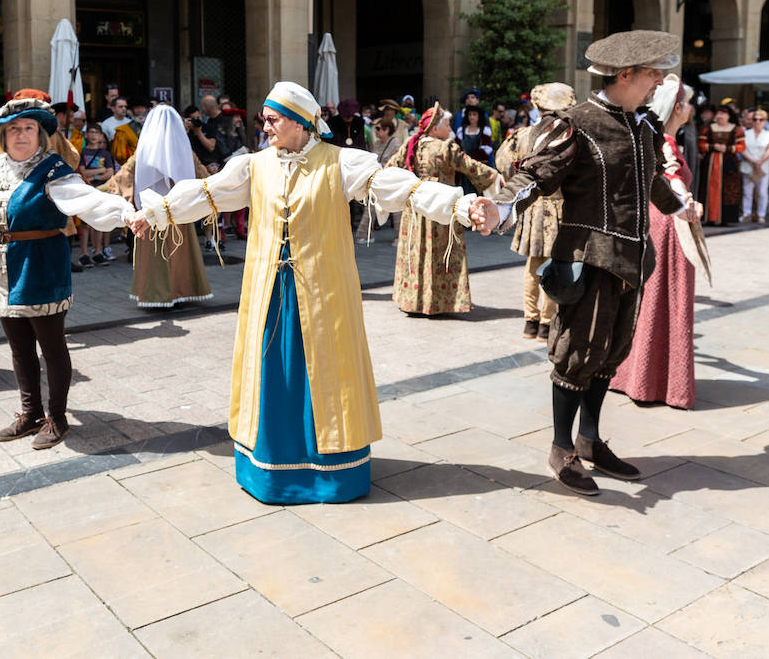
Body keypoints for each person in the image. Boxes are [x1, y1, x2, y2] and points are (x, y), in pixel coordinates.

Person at [129, 82, 498, 505]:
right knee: (274, 377)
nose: (264, 125)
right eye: (263, 119)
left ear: (302, 122)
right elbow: (210, 194)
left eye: (273, 119)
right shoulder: (254, 166)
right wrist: (158, 212)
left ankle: (332, 475)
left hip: (324, 295)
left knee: (325, 373)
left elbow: (401, 188)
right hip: (269, 293)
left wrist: (459, 204)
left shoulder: (339, 162)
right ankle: (271, 473)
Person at [490, 31, 697, 496]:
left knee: (609, 355)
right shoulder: (577, 123)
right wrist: (500, 206)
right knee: (577, 354)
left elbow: (651, 182)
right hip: (586, 257)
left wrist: (679, 205)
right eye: (652, 74)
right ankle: (561, 448)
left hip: (631, 259)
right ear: (625, 75)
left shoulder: (642, 126)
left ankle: (589, 440)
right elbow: (535, 175)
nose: (659, 82)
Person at [0, 96, 135, 449]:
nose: (21, 135)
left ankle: (57, 416)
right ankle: (30, 412)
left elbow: (85, 199)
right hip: (1, 268)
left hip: (40, 267)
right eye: (14, 129)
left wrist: (124, 213)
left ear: (40, 134)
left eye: (29, 129)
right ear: (3, 136)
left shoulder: (54, 170)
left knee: (51, 347)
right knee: (19, 347)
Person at [610, 75, 701, 409]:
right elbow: (671, 178)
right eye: (688, 102)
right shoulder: (664, 141)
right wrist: (686, 203)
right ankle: (657, 383)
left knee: (651, 298)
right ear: (678, 107)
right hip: (667, 224)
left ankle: (637, 376)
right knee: (665, 297)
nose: (691, 108)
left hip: (658, 221)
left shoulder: (660, 137)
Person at [387, 103, 499, 316]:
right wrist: (497, 178)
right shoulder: (445, 148)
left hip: (415, 210)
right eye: (446, 125)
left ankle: (413, 301)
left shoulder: (411, 144)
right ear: (435, 128)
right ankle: (438, 303)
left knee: (415, 252)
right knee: (441, 253)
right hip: (442, 210)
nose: (449, 129)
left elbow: (390, 169)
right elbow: (471, 166)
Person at [102, 104, 213, 308]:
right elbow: (204, 178)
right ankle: (181, 291)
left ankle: (156, 294)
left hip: (150, 216)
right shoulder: (185, 153)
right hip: (178, 213)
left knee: (155, 255)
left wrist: (97, 192)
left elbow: (121, 179)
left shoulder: (143, 153)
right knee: (180, 252)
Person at [494, 82, 574, 340]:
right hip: (561, 206)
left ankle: (530, 321)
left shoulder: (523, 135)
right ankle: (547, 323)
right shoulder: (569, 136)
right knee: (555, 264)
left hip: (533, 205)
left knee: (532, 265)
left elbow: (503, 163)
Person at [354, 116, 405, 240]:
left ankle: (400, 237)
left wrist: (385, 165)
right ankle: (365, 234)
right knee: (370, 205)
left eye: (378, 128)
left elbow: (399, 161)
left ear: (387, 130)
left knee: (397, 210)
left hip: (391, 180)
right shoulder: (377, 143)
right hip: (378, 179)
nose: (376, 131)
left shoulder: (396, 143)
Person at [76, 123, 116, 268]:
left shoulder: (105, 153)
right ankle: (84, 254)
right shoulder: (82, 152)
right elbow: (82, 172)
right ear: (86, 135)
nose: (93, 135)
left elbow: (110, 172)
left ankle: (98, 252)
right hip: (86, 190)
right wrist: (99, 171)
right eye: (90, 132)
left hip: (101, 190)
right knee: (85, 224)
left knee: (98, 222)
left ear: (100, 136)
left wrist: (93, 176)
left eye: (96, 133)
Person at [698, 104, 744, 225]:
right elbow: (701, 144)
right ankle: (709, 217)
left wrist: (728, 148)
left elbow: (742, 146)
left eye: (723, 114)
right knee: (708, 188)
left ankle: (725, 218)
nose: (719, 116)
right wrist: (713, 146)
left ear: (729, 116)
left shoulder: (736, 129)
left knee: (728, 190)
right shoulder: (708, 128)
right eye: (718, 114)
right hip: (710, 164)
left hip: (729, 164)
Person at [740, 108, 769, 223]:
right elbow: (742, 149)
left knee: (762, 192)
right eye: (755, 119)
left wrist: (760, 161)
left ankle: (761, 214)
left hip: (763, 166)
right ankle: (747, 213)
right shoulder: (745, 133)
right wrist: (753, 161)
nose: (758, 122)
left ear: (765, 121)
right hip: (748, 164)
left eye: (761, 119)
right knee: (747, 191)